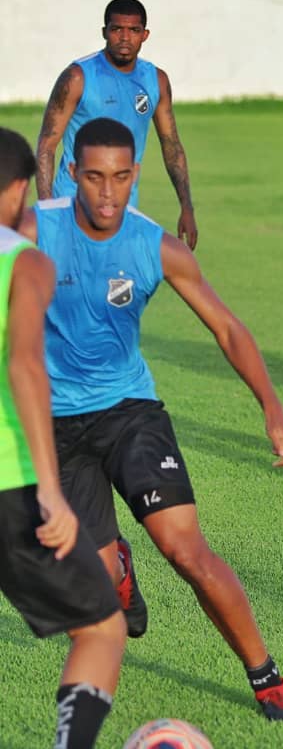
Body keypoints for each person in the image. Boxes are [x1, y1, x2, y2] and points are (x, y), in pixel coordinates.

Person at [21, 117, 283, 720]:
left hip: (130, 413)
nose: (107, 194)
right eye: (94, 177)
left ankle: (267, 677)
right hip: (56, 430)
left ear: (135, 176)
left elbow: (226, 326)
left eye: (120, 178)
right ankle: (116, 563)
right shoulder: (33, 230)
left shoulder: (154, 247)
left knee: (185, 550)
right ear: (71, 174)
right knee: (97, 597)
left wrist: (273, 410)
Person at [0, 126, 127, 748]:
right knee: (103, 627)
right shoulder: (26, 262)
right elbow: (25, 364)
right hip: (10, 482)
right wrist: (51, 492)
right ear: (21, 189)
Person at [36, 0, 198, 249]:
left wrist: (186, 207)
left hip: (123, 204)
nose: (124, 38)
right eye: (116, 29)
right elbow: (47, 145)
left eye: (133, 30)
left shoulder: (156, 81)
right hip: (73, 202)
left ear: (145, 34)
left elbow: (172, 145)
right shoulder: (77, 77)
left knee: (114, 283)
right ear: (105, 32)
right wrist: (47, 210)